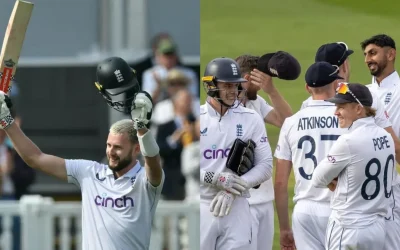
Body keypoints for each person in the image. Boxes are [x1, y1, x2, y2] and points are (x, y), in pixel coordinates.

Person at [0, 57, 164, 250]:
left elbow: (153, 163)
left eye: (118, 147)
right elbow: (36, 158)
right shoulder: (90, 173)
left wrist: (142, 128)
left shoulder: (144, 182)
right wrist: (7, 122)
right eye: (108, 145)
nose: (111, 152)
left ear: (136, 149)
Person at [199, 57, 273, 250]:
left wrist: (232, 189)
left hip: (237, 207)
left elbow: (265, 166)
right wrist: (214, 178)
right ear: (210, 85)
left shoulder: (251, 118)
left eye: (235, 85)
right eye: (227, 85)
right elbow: (189, 169)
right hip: (202, 205)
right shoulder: (198, 120)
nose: (233, 91)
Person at [312, 82, 394, 250]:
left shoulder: (348, 141)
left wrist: (333, 180)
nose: (336, 112)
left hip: (348, 228)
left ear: (358, 109)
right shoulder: (386, 137)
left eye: (341, 107)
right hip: (377, 229)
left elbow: (318, 179)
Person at [274, 62, 345, 250]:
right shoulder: (346, 118)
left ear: (307, 88)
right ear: (336, 84)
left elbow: (280, 183)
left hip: (304, 211)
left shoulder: (290, 123)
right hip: (340, 208)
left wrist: (284, 228)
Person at [235, 54, 292, 250]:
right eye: (260, 80)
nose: (262, 85)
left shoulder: (256, 101)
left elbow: (287, 122)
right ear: (248, 78)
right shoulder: (225, 108)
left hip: (265, 199)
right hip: (242, 201)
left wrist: (272, 92)